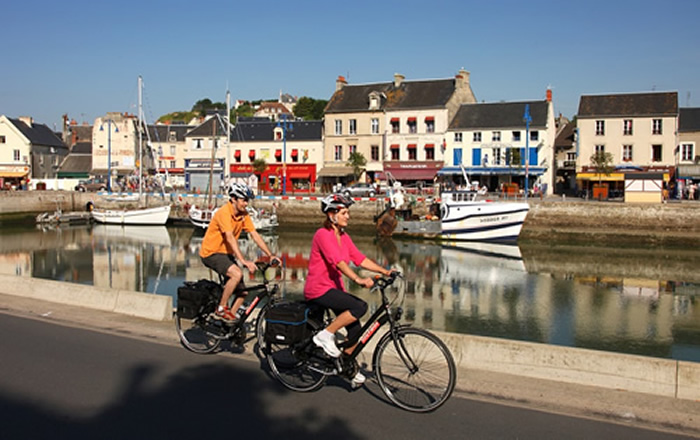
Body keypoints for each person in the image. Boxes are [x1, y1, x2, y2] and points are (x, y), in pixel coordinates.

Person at [304, 193, 394, 386]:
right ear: (331, 215)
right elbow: (339, 263)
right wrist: (358, 280)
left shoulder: (343, 237)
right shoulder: (322, 235)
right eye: (344, 212)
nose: (348, 216)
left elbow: (359, 258)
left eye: (347, 212)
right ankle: (325, 335)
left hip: (334, 289)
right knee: (359, 306)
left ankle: (345, 367)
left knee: (355, 329)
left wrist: (385, 271)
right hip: (319, 289)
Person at [199, 182, 280, 323]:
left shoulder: (243, 215)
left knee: (242, 293)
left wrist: (270, 254)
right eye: (243, 200)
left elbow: (254, 235)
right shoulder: (224, 213)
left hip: (226, 254)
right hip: (211, 253)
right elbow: (230, 238)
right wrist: (243, 261)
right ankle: (221, 308)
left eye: (247, 200)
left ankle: (230, 323)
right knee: (236, 274)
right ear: (233, 199)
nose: (246, 204)